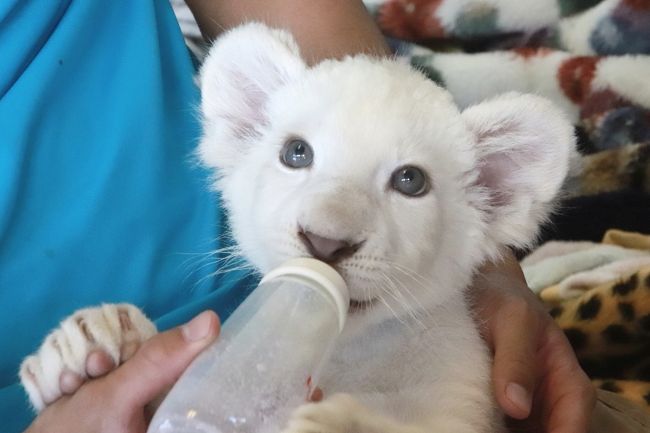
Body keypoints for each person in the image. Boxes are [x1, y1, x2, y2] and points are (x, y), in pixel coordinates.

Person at [0, 1, 594, 432]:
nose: (328, 227)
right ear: (241, 129)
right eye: (297, 155)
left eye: (409, 181)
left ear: (495, 195)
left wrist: (487, 269)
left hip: (208, 311)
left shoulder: (443, 353)